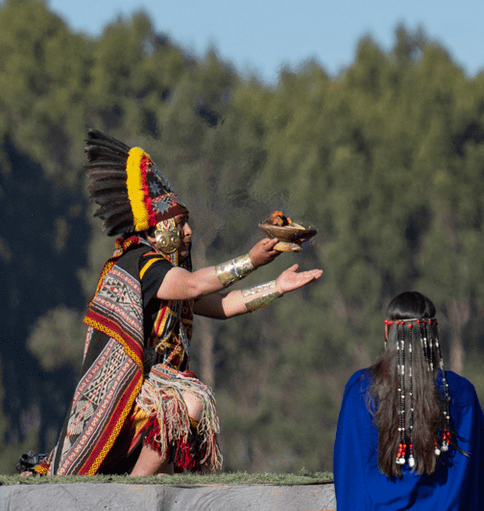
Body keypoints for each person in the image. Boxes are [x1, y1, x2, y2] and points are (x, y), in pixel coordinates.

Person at [41, 130, 323, 476]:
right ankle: (135, 492)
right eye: (180, 223)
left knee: (187, 401)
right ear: (157, 230)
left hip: (156, 394)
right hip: (129, 400)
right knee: (187, 402)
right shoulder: (141, 262)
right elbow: (192, 285)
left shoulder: (168, 272)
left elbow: (222, 306)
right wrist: (251, 260)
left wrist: (277, 286)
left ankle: (152, 489)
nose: (189, 231)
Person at [334, 291, 484, 511]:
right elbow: (478, 479)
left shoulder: (361, 391)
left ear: (388, 332)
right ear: (434, 335)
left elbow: (349, 481)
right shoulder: (461, 394)